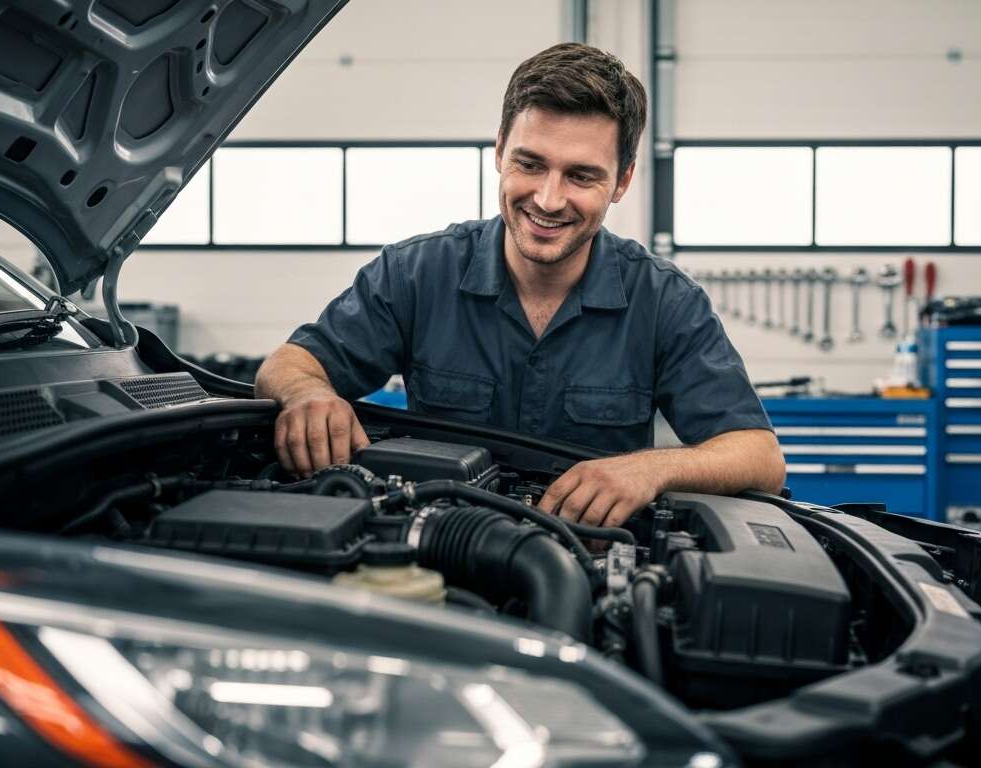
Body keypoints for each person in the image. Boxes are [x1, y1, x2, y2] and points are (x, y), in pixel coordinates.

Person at [255, 42, 784, 528]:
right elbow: (288, 365)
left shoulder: (664, 300)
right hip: (431, 550)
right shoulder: (415, 274)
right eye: (530, 164)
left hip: (590, 562)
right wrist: (309, 394)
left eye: (581, 176)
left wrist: (647, 469)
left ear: (622, 180)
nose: (549, 200)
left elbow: (758, 455)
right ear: (499, 151)